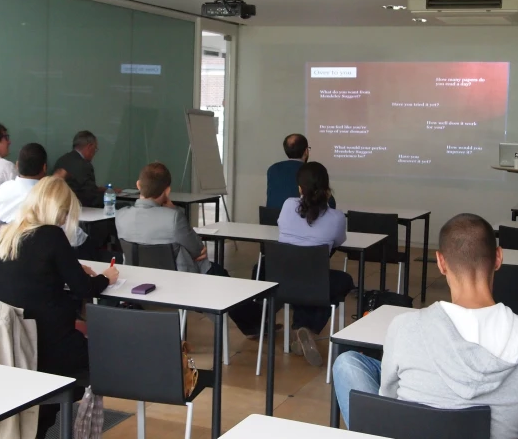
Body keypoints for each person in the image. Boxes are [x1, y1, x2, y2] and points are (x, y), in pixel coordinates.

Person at [332, 214, 518, 438]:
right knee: (352, 363)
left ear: (441, 262)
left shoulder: (405, 327)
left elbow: (389, 400)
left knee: (348, 363)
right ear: (498, 259)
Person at [0, 176, 119, 438]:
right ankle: (57, 416)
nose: (64, 221)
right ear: (58, 211)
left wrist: (70, 270)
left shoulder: (6, 234)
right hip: (50, 345)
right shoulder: (52, 235)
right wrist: (107, 277)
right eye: (64, 214)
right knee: (103, 356)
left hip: (13, 342)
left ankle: (41, 418)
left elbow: (32, 276)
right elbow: (85, 289)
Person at [115, 162, 264, 337]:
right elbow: (197, 249)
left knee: (219, 274)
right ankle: (258, 321)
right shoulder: (173, 217)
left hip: (139, 282)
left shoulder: (121, 216)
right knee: (222, 278)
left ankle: (255, 321)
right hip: (179, 283)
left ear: (138, 185)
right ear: (167, 191)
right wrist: (173, 209)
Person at [277, 161, 354, 367]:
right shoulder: (336, 217)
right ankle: (307, 329)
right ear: (327, 189)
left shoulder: (287, 206)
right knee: (341, 281)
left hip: (283, 280)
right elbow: (338, 242)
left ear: (300, 188)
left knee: (307, 284)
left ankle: (299, 329)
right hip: (314, 282)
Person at [0, 142, 91, 252]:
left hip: (7, 251)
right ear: (44, 168)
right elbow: (72, 237)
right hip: (42, 255)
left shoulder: (2, 189)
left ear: (17, 165)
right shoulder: (47, 196)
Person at [266, 133, 336, 210]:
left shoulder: (273, 169)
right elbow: (330, 205)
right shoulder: (312, 171)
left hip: (271, 219)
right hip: (301, 218)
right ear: (306, 151)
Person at [53, 130, 119, 208]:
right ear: (89, 147)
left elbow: (78, 186)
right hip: (82, 208)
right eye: (95, 149)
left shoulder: (61, 160)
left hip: (62, 207)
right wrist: (110, 194)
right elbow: (90, 197)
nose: (94, 153)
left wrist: (99, 189)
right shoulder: (85, 165)